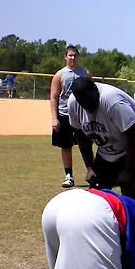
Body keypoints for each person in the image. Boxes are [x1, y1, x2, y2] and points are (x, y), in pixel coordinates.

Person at [68, 77, 135, 203]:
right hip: (111, 145)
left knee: (130, 194)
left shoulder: (112, 102)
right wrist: (90, 167)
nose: (88, 107)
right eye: (83, 104)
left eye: (90, 101)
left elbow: (134, 136)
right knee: (96, 194)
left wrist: (128, 171)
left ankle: (134, 221)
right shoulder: (73, 104)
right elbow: (81, 136)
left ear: (95, 90)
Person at [50, 45, 91, 188]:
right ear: (65, 57)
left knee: (85, 145)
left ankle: (91, 173)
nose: (73, 58)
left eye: (75, 55)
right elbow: (54, 97)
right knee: (66, 146)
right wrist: (54, 118)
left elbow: (92, 94)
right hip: (64, 115)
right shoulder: (59, 75)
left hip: (81, 116)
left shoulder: (84, 73)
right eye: (70, 55)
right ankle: (68, 176)